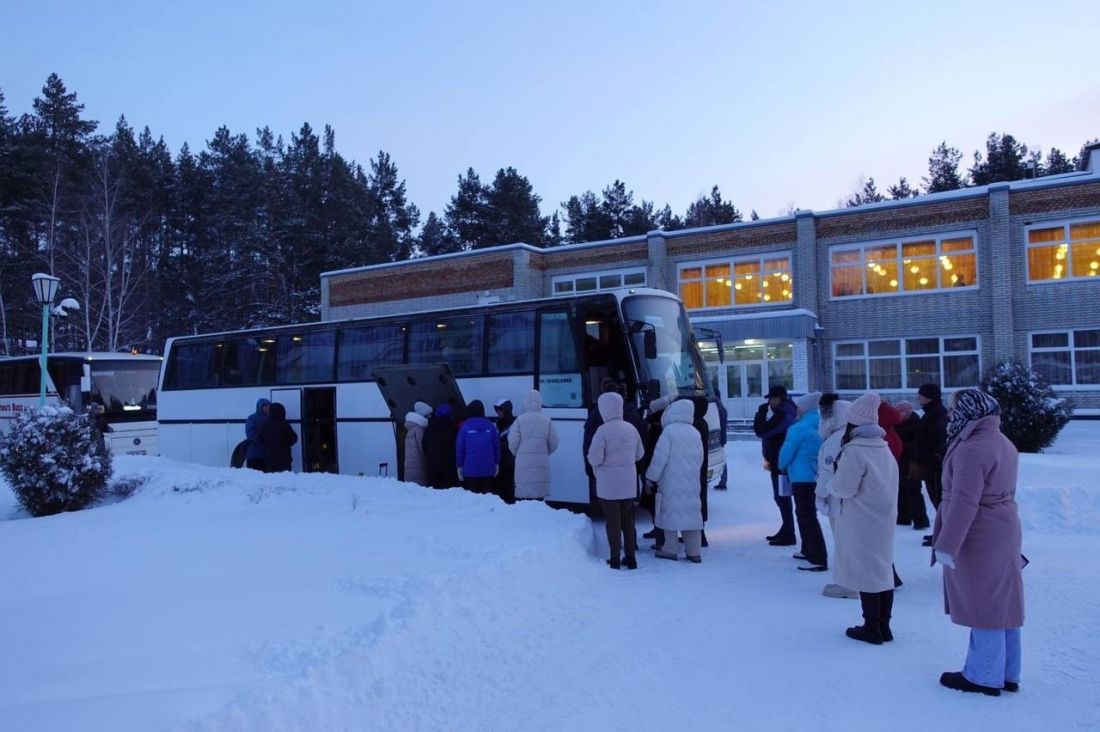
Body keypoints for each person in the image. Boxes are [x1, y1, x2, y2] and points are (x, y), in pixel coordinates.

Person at [933, 389, 1024, 697]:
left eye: (954, 408)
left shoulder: (972, 447)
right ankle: (1007, 671)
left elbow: (963, 502)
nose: (950, 413)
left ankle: (983, 676)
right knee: (1003, 600)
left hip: (979, 533)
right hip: (1002, 528)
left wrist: (946, 545)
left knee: (982, 602)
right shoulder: (1002, 441)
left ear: (969, 411)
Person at [828, 392, 898, 645]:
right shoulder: (883, 447)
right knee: (882, 570)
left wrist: (831, 485)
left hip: (861, 519)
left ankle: (871, 628)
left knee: (867, 573)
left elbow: (845, 488)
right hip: (884, 516)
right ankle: (884, 626)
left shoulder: (855, 451)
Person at [588, 391, 645, 569]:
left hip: (608, 487)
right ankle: (631, 558)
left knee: (612, 523)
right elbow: (640, 454)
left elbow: (594, 458)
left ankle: (614, 560)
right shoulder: (631, 428)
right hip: (629, 485)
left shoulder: (602, 431)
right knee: (628, 522)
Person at [645, 399, 704, 563]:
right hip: (691, 481)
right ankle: (694, 551)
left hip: (670, 482)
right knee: (690, 513)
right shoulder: (695, 432)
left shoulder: (669, 432)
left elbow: (659, 459)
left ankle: (670, 549)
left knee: (669, 513)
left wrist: (650, 478)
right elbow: (700, 459)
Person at [815, 394, 858, 599]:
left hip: (837, 501)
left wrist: (820, 495)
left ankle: (847, 584)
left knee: (843, 542)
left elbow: (826, 471)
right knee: (851, 541)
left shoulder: (835, 440)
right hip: (850, 501)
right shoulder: (851, 436)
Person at [779, 391, 826, 571]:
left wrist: (780, 465)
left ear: (804, 409)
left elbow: (786, 454)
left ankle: (817, 557)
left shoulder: (798, 428)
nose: (796, 410)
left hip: (800, 477)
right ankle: (807, 549)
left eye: (798, 407)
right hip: (815, 476)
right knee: (806, 515)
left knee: (806, 517)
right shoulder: (821, 426)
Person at [584, 378, 646, 504]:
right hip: (628, 479)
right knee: (628, 515)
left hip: (606, 480)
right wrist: (636, 467)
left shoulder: (595, 415)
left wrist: (590, 471)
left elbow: (588, 446)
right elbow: (641, 444)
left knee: (612, 515)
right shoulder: (632, 413)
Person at [753, 385, 798, 546]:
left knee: (782, 497)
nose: (769, 402)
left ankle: (789, 533)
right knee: (781, 497)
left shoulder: (783, 415)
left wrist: (760, 414)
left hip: (781, 462)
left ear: (779, 399)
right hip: (778, 460)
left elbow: (762, 431)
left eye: (771, 399)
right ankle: (786, 529)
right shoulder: (788, 412)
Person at [912, 383, 948, 544]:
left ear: (930, 397)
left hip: (934, 465)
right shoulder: (931, 412)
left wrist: (930, 455)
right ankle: (940, 533)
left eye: (921, 395)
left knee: (939, 500)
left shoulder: (937, 414)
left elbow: (938, 439)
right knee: (936, 500)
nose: (919, 397)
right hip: (928, 462)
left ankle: (943, 535)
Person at [508, 390, 559, 501]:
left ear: (525, 402)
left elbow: (512, 442)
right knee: (538, 500)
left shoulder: (519, 420)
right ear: (540, 401)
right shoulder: (547, 420)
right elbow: (555, 443)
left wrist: (518, 453)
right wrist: (545, 452)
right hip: (541, 461)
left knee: (523, 500)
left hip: (523, 462)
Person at [456, 400, 499, 494]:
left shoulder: (465, 426)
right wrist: (496, 463)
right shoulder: (490, 426)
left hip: (470, 471)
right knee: (486, 499)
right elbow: (496, 446)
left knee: (472, 500)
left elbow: (460, 449)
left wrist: (459, 466)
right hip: (488, 470)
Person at [894, 400, 926, 528]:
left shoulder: (917, 424)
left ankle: (920, 520)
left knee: (913, 490)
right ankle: (903, 518)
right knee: (901, 490)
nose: (897, 414)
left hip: (913, 462)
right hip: (900, 461)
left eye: (899, 412)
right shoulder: (896, 425)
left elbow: (919, 444)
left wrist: (900, 445)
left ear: (906, 412)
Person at [423, 404, 459, 489]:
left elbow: (424, 447)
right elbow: (458, 448)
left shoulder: (429, 428)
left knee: (434, 496)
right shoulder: (454, 429)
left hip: (432, 468)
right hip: (449, 468)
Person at [258, 402, 297, 473]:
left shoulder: (264, 424)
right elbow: (294, 439)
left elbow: (260, 439)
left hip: (270, 458)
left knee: (273, 479)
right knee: (285, 479)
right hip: (284, 458)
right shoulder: (284, 424)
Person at [402, 401, 433, 486]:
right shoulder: (420, 430)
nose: (430, 417)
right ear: (423, 415)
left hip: (410, 467)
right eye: (429, 415)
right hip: (418, 468)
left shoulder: (411, 428)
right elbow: (424, 449)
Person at [493, 399, 517, 502]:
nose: (498, 413)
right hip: (498, 463)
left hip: (509, 463)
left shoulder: (515, 425)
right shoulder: (496, 424)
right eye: (497, 410)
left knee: (508, 490)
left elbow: (513, 444)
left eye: (501, 410)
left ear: (507, 410)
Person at [244, 398, 270, 471]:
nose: (267, 408)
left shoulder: (271, 418)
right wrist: (263, 438)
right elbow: (250, 433)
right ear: (260, 407)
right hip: (254, 454)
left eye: (268, 406)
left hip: (267, 455)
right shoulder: (252, 418)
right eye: (264, 406)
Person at [713, 380, 729, 491]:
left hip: (718, 437)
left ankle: (723, 482)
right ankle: (723, 481)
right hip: (721, 437)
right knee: (721, 458)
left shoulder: (717, 408)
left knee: (721, 459)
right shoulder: (721, 407)